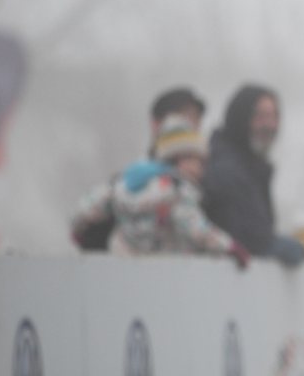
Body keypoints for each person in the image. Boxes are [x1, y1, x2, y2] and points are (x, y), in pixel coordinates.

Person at [71, 86, 207, 251]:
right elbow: (84, 216)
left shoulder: (206, 176)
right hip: (138, 268)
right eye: (184, 117)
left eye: (196, 120)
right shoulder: (129, 180)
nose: (190, 126)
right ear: (156, 124)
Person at [105, 114, 248, 266]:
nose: (201, 169)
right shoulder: (179, 189)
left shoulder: (123, 183)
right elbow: (194, 225)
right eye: (196, 160)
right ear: (177, 158)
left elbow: (94, 205)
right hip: (164, 267)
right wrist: (228, 246)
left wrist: (79, 231)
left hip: (123, 262)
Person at [201, 84, 304, 267]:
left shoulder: (253, 169)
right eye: (261, 117)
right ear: (240, 119)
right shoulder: (227, 170)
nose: (269, 125)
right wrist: (300, 248)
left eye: (274, 117)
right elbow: (251, 241)